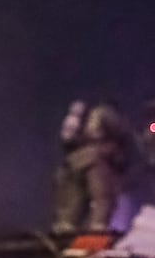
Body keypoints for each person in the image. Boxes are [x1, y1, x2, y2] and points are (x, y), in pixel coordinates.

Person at [51, 98, 132, 236]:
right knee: (103, 201)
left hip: (74, 161)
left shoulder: (82, 116)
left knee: (72, 207)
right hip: (94, 159)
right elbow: (103, 199)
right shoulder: (106, 114)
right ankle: (93, 240)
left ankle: (64, 240)